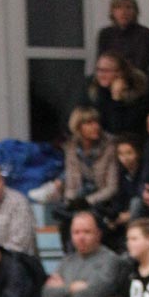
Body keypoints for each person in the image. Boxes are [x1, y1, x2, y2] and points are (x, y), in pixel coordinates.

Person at [42, 210, 125, 297]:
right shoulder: (66, 261)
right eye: (76, 232)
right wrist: (71, 288)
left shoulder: (110, 260)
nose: (81, 237)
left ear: (98, 234)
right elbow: (47, 295)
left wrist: (62, 289)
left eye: (87, 232)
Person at [53, 107, 119, 250]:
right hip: (80, 198)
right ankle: (71, 256)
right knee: (63, 214)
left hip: (102, 201)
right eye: (89, 123)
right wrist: (71, 202)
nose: (96, 126)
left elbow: (112, 187)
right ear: (78, 127)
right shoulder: (71, 148)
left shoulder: (110, 146)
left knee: (86, 217)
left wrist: (87, 201)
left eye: (96, 122)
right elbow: (71, 184)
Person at [80, 52, 149, 137]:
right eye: (98, 70)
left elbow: (118, 130)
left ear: (120, 73)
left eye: (105, 71)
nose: (100, 74)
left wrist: (116, 98)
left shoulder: (138, 94)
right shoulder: (93, 90)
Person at [101, 133, 144, 251]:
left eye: (129, 153)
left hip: (143, 213)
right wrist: (115, 217)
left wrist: (129, 214)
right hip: (123, 215)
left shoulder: (145, 171)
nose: (125, 157)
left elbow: (143, 197)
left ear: (138, 153)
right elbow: (118, 198)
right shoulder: (121, 173)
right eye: (121, 154)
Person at [96, 0, 149, 74]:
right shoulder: (105, 34)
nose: (123, 12)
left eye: (128, 7)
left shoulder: (144, 34)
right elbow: (101, 63)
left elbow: (141, 65)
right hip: (109, 76)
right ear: (112, 11)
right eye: (118, 7)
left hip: (135, 77)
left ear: (135, 11)